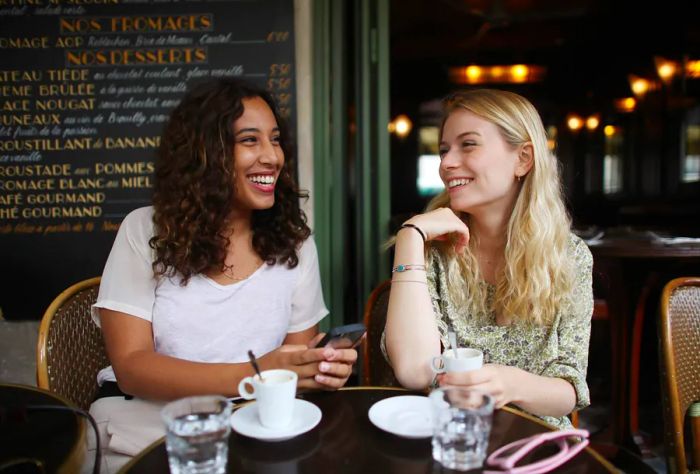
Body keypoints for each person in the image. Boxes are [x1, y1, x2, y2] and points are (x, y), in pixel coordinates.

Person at [87, 78, 357, 472]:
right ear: (204, 153)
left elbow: (295, 367)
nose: (272, 157)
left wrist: (319, 368)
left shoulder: (294, 244)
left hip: (252, 428)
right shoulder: (145, 231)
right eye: (250, 140)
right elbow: (131, 368)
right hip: (147, 430)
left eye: (276, 139)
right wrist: (257, 373)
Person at [384, 89, 593, 429]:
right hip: (451, 436)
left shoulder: (569, 257)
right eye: (443, 150)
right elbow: (413, 369)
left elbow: (569, 390)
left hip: (534, 445)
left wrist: (509, 384)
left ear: (523, 159)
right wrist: (410, 235)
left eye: (468, 145)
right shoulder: (431, 251)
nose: (447, 163)